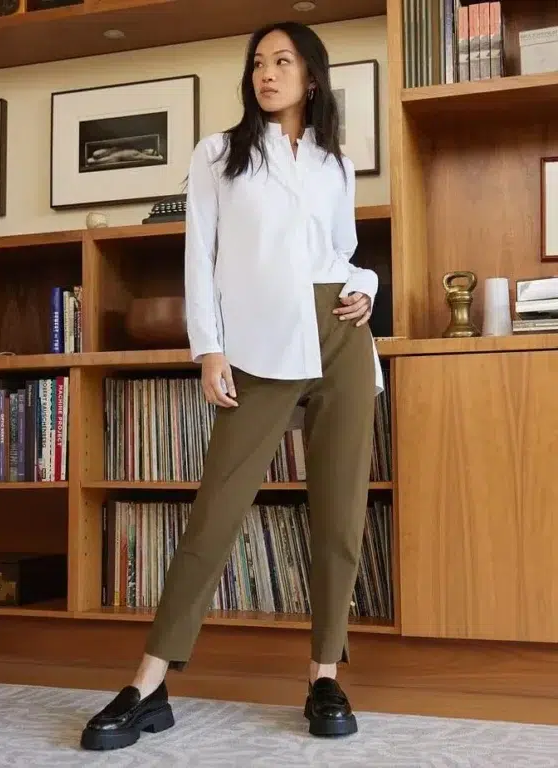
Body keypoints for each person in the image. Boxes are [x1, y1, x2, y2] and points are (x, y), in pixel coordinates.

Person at [80, 20, 383, 752]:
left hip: (340, 335)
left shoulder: (336, 163)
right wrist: (209, 349)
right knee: (216, 513)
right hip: (258, 344)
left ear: (312, 76)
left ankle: (323, 675)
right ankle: (148, 682)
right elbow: (200, 256)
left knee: (340, 513)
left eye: (282, 61)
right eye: (257, 63)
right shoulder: (219, 154)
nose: (265, 74)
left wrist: (367, 286)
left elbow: (342, 251)